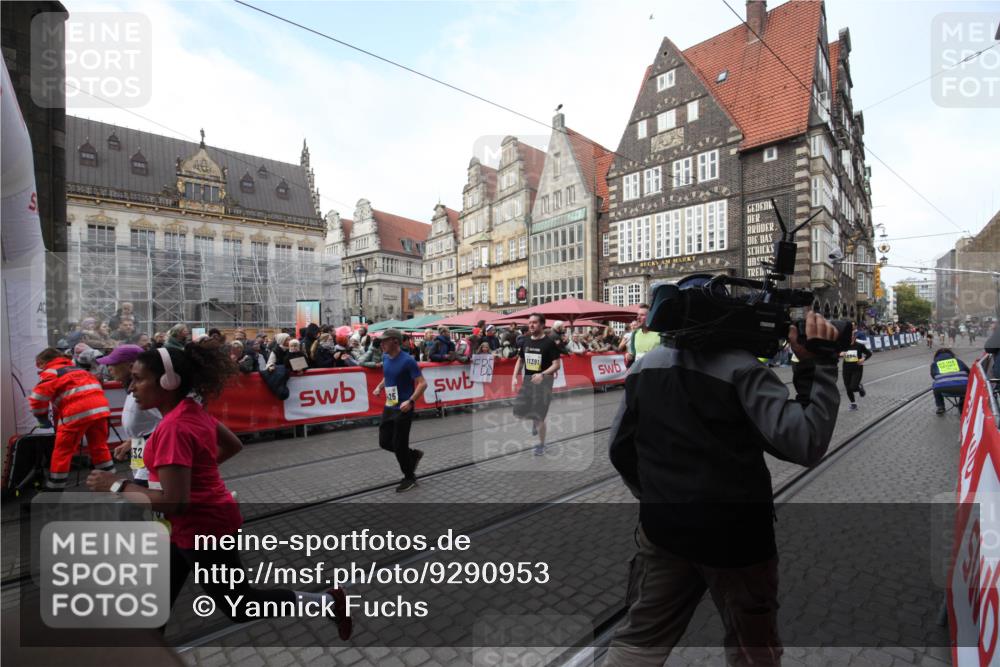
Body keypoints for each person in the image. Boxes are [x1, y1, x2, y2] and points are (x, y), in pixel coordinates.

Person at [604, 310, 841, 667]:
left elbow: (619, 449)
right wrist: (817, 365)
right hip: (736, 542)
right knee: (752, 647)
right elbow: (804, 442)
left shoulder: (644, 366)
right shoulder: (743, 369)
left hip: (663, 529)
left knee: (640, 637)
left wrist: (654, 496)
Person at [85, 342, 352, 639]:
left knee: (241, 606)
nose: (130, 386)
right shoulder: (189, 410)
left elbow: (175, 501)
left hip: (203, 529)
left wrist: (117, 485)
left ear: (168, 382)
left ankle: (327, 601)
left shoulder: (174, 427)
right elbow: (232, 445)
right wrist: (194, 472)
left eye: (138, 378)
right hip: (188, 526)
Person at [29, 348, 116, 490]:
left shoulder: (52, 372)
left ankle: (54, 488)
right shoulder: (78, 370)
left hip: (76, 412)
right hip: (100, 409)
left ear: (43, 362)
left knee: (63, 451)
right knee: (99, 446)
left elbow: (37, 399)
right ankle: (110, 481)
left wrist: (42, 417)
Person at [96, 344, 162, 487]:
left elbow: (168, 422)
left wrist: (114, 487)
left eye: (113, 364)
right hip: (138, 444)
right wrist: (130, 442)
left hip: (151, 449)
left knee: (142, 491)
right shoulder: (131, 387)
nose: (109, 368)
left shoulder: (145, 391)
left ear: (131, 366)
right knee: (138, 478)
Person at [372, 329, 427, 492]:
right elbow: (388, 376)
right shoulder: (385, 357)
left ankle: (409, 477)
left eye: (384, 341)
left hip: (404, 408)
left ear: (395, 342)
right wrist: (380, 386)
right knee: (384, 442)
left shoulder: (408, 360)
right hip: (390, 404)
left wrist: (410, 401)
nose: (381, 344)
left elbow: (423, 383)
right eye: (380, 341)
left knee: (399, 444)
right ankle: (412, 455)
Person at [510, 313, 562, 455]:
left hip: (544, 383)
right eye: (530, 322)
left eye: (534, 322)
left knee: (539, 416)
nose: (531, 325)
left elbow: (557, 365)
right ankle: (534, 420)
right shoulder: (525, 341)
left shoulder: (549, 343)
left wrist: (542, 374)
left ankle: (541, 445)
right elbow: (520, 360)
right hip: (528, 381)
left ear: (542, 325)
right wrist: (514, 377)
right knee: (518, 411)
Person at [930, 347, 970, 414]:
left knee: (935, 385)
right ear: (951, 355)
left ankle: (940, 407)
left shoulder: (934, 364)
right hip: (963, 388)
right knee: (965, 384)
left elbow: (934, 376)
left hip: (942, 388)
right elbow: (968, 372)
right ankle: (962, 405)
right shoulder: (958, 361)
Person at [841, 328, 873, 411]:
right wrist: (839, 353)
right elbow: (833, 353)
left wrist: (863, 359)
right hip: (846, 369)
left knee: (853, 387)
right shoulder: (842, 346)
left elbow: (869, 354)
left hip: (857, 369)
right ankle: (853, 404)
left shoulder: (859, 345)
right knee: (848, 388)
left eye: (851, 336)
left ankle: (859, 387)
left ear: (854, 337)